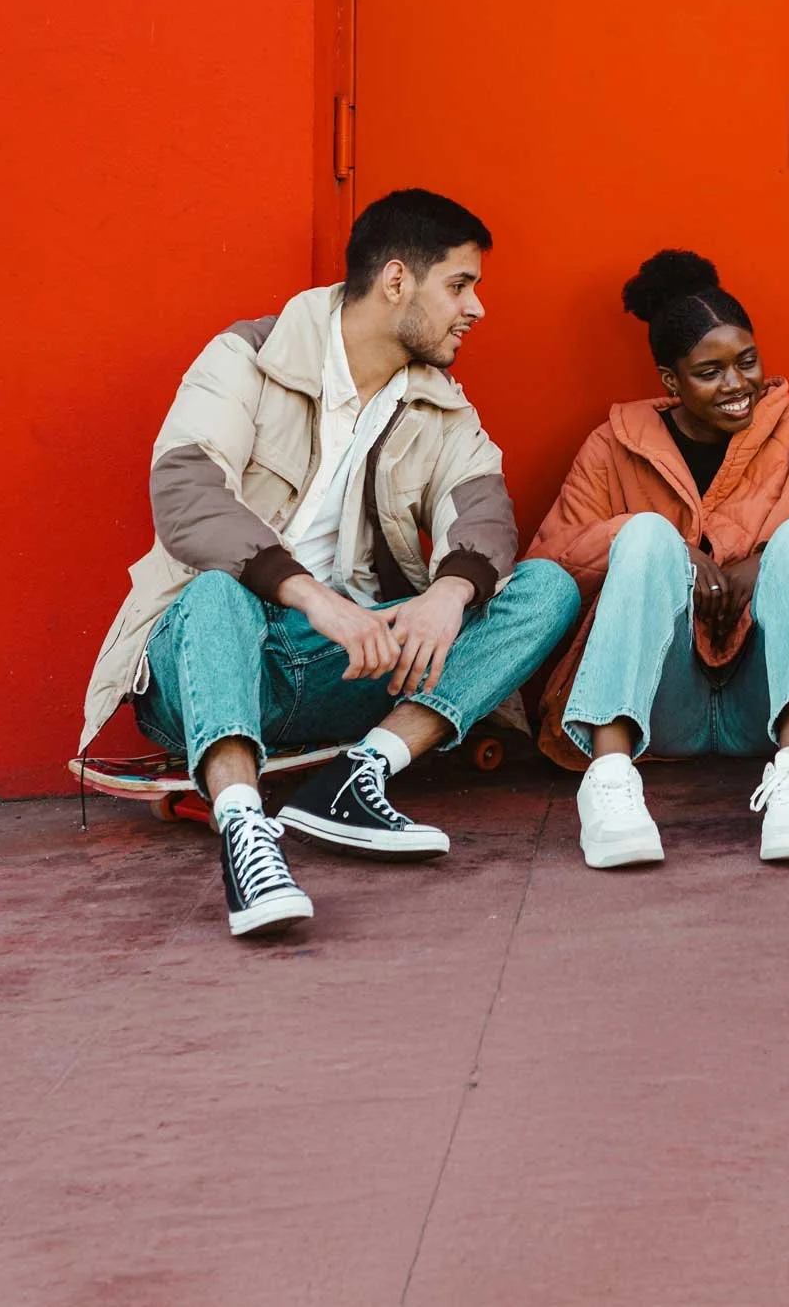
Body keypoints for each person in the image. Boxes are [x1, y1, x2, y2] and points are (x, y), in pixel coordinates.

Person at [80, 189, 580, 939]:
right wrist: (314, 597)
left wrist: (447, 592)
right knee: (217, 590)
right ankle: (246, 835)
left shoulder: (439, 403)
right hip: (210, 655)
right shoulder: (248, 357)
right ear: (396, 281)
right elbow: (185, 493)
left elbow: (482, 512)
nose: (475, 309)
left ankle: (359, 774)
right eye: (460, 284)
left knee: (547, 587)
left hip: (345, 662)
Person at [528, 250, 789, 869]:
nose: (736, 385)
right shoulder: (614, 447)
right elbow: (549, 573)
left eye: (747, 362)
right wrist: (672, 558)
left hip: (768, 701)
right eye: (709, 372)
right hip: (660, 706)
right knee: (642, 535)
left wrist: (764, 564)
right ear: (671, 382)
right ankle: (609, 782)